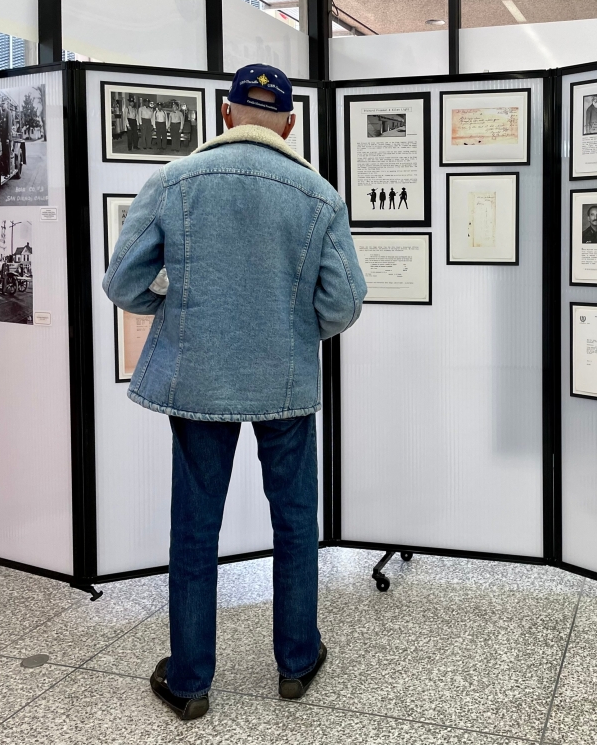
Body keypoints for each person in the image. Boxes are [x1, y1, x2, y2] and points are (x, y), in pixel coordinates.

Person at [103, 63, 366, 722]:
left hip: (198, 383)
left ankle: (190, 682)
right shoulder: (317, 195)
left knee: (194, 529)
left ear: (223, 116)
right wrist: (293, 330)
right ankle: (296, 663)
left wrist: (177, 309)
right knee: (296, 522)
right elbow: (344, 302)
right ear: (292, 123)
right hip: (286, 383)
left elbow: (122, 284)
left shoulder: (173, 182)